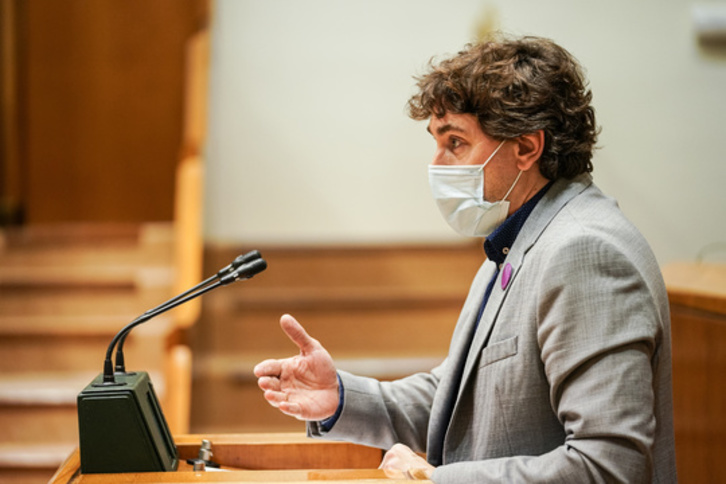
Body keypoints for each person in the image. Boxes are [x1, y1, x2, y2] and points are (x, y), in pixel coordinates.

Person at [254, 34, 677, 483]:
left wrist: (435, 481)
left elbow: (610, 466)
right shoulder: (519, 237)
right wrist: (339, 397)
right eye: (436, 142)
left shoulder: (584, 251)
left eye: (455, 142)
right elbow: (458, 399)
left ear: (527, 148)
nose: (436, 164)